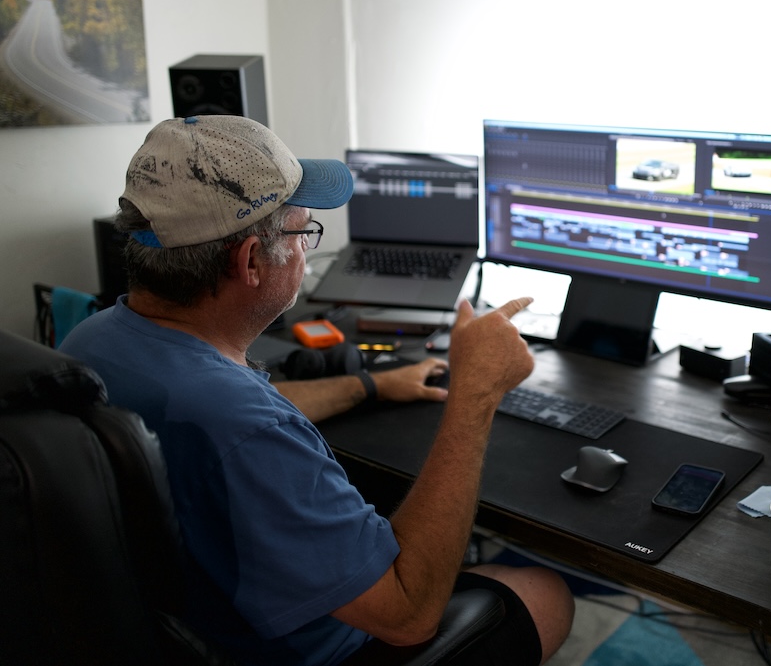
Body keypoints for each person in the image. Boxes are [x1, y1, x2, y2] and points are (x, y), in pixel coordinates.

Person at [61, 115, 574, 666]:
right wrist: (474, 394)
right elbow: (408, 615)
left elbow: (234, 422)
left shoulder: (91, 342)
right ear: (251, 261)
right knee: (545, 592)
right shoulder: (243, 425)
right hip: (320, 650)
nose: (307, 250)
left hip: (189, 625)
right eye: (304, 233)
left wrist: (368, 384)